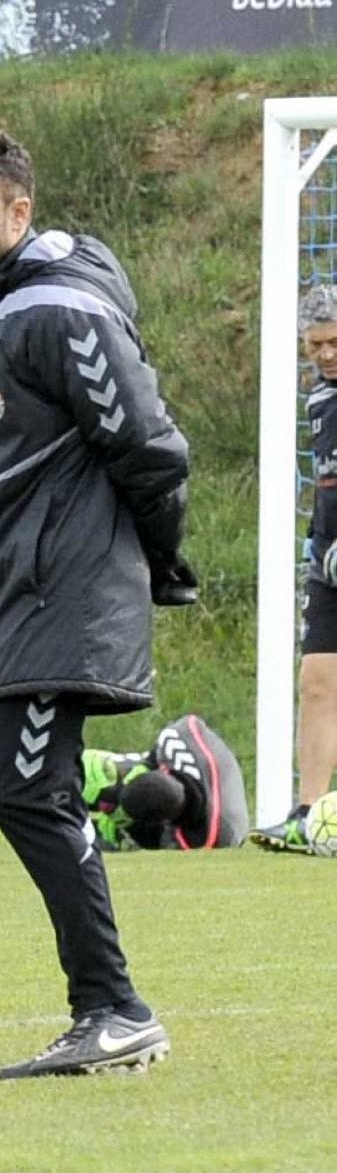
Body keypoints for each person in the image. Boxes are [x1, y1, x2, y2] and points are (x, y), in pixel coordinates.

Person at [0, 128, 195, 1079]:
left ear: (18, 210)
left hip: (61, 590)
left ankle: (114, 1008)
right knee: (32, 790)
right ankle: (108, 1006)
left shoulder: (60, 311)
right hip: (17, 593)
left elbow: (149, 446)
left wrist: (160, 557)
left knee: (27, 790)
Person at [251, 284, 337, 854]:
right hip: (328, 564)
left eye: (333, 342)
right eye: (315, 347)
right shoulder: (319, 401)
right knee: (316, 682)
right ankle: (310, 815)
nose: (326, 355)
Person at [81, 714, 249, 851]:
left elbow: (165, 845)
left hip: (187, 817)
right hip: (166, 769)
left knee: (118, 838)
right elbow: (189, 722)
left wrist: (131, 828)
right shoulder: (182, 741)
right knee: (101, 776)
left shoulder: (208, 836)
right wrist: (142, 767)